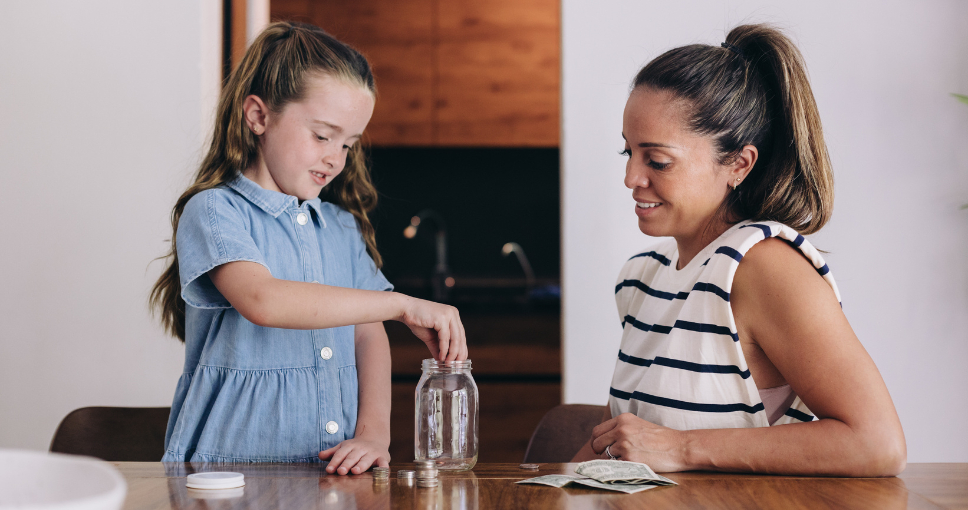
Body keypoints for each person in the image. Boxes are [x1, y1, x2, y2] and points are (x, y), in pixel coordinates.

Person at [571, 24, 906, 476]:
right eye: (627, 152)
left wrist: (682, 448)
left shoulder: (761, 264)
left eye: (657, 161)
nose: (631, 177)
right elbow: (628, 443)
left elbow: (876, 443)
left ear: (737, 164)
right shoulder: (640, 277)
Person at [149, 22, 467, 473]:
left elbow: (367, 332)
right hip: (226, 472)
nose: (336, 158)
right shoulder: (215, 211)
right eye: (322, 135)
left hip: (330, 473)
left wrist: (374, 432)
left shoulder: (341, 227)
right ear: (258, 116)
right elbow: (263, 299)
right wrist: (400, 304)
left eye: (348, 144)